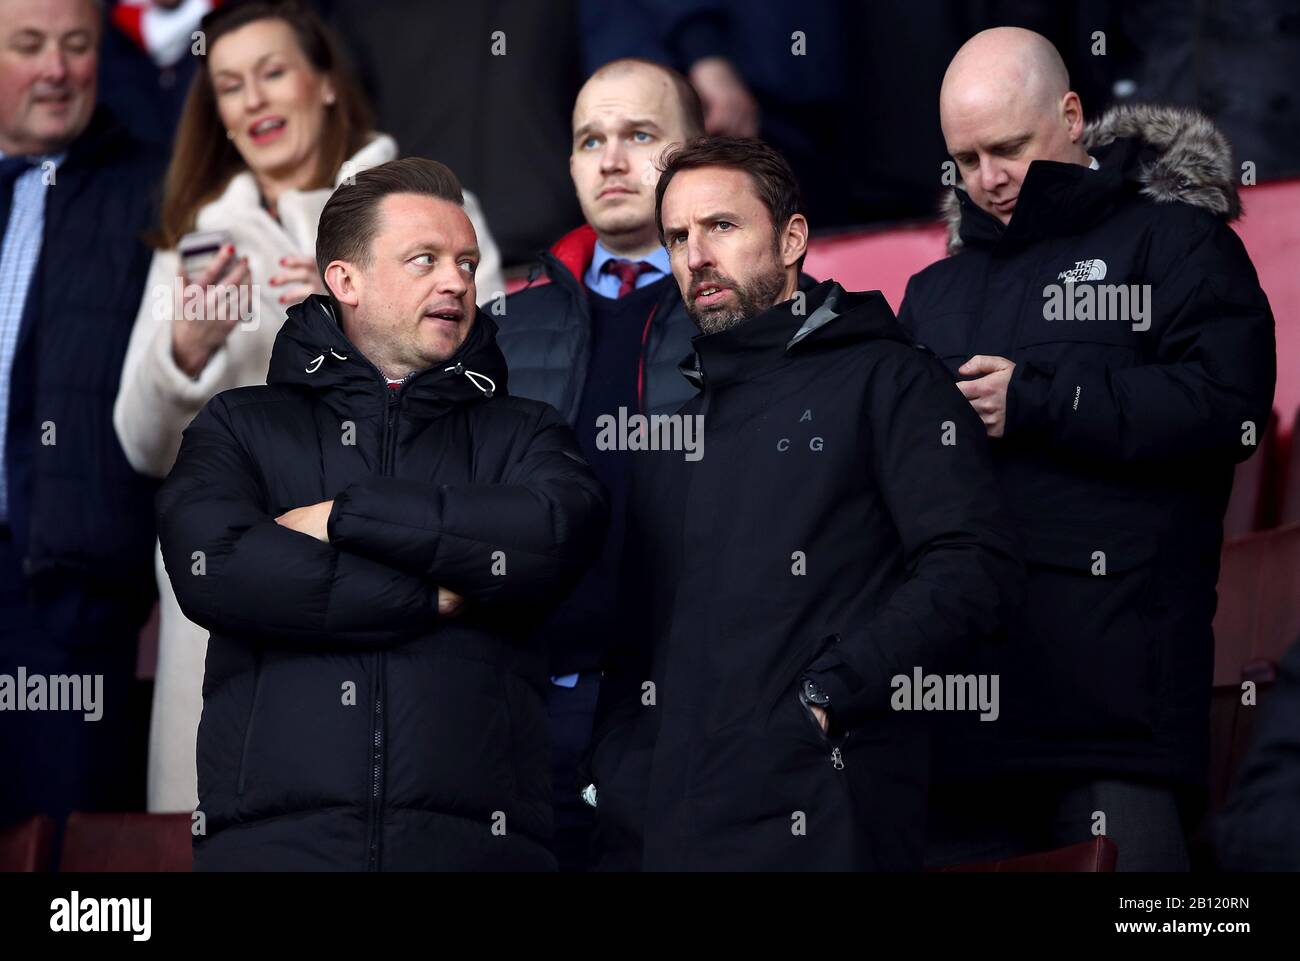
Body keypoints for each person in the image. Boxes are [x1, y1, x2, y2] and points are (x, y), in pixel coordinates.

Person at [155, 157, 607, 871]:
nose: (457, 280)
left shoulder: (527, 432)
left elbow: (551, 538)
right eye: (424, 259)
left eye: (465, 261)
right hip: (276, 851)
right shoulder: (241, 424)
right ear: (345, 280)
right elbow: (215, 564)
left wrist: (340, 516)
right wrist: (432, 590)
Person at [899, 27, 1276, 871]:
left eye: (1008, 148)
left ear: (1071, 116)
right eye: (964, 160)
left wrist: (1040, 400)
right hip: (961, 722)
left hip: (1116, 721)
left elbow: (1229, 407)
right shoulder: (934, 293)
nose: (987, 180)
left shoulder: (1176, 242)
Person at [589, 137, 1022, 871]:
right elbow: (635, 651)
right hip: (669, 835)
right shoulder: (672, 432)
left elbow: (971, 566)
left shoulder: (889, 378)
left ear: (792, 238)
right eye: (678, 236)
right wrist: (621, 782)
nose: (695, 256)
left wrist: (827, 696)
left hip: (826, 822)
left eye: (721, 226)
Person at [112, 0, 502, 815]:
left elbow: (488, 392)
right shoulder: (198, 237)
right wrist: (185, 349)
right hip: (222, 609)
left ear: (325, 82)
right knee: (228, 829)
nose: (252, 101)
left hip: (379, 581)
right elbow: (143, 446)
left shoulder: (428, 205)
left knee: (363, 827)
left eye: (273, 72)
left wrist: (366, 324)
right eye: (228, 86)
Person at [496, 57, 704, 871]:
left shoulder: (744, 316)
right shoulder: (503, 326)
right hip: (529, 696)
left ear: (691, 155)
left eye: (640, 135)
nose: (611, 159)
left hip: (684, 701)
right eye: (591, 139)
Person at [0, 0, 162, 831]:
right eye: (30, 47)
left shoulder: (151, 189)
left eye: (77, 45)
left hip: (67, 593)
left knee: (67, 857)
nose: (58, 69)